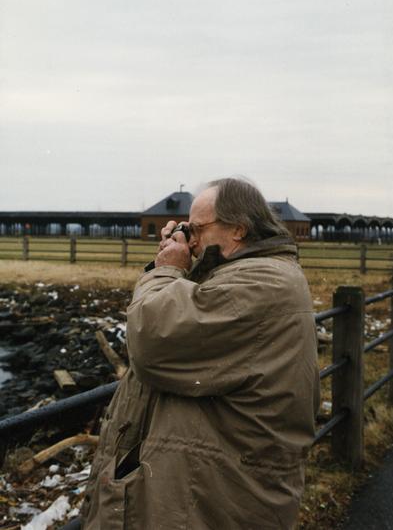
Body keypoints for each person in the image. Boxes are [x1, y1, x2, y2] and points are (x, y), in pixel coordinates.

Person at [81, 178, 320, 530]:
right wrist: (181, 261)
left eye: (197, 229)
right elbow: (200, 301)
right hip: (217, 480)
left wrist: (167, 269)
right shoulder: (262, 274)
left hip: (217, 494)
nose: (191, 240)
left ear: (238, 229)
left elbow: (152, 340)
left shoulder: (261, 284)